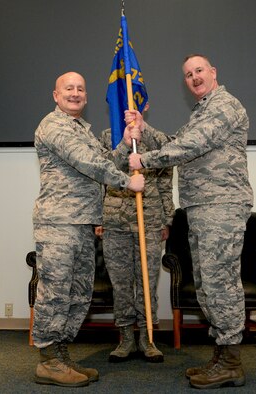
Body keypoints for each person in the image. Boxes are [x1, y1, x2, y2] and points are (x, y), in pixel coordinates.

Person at [128, 54, 254, 389]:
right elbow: (175, 143)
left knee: (220, 285)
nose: (194, 77)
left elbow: (190, 146)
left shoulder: (224, 105)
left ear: (213, 73)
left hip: (221, 206)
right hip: (202, 208)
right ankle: (222, 353)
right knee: (207, 286)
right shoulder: (201, 111)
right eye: (188, 74)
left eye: (199, 71)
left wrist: (144, 158)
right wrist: (143, 127)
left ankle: (231, 363)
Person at [32, 71, 144, 388]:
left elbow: (104, 159)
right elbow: (88, 163)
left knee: (77, 294)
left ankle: (61, 356)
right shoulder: (54, 125)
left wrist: (123, 146)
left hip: (82, 223)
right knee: (55, 292)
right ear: (56, 95)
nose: (76, 93)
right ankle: (48, 361)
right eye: (69, 88)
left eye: (81, 89)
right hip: (59, 223)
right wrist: (127, 181)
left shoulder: (82, 129)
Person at [95, 102, 174, 363]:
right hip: (114, 221)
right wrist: (98, 217)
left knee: (147, 282)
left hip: (149, 220)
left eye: (137, 103)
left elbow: (165, 181)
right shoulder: (108, 136)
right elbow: (99, 175)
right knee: (121, 284)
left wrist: (167, 219)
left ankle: (147, 338)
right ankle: (126, 338)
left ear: (146, 105)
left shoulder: (156, 139)